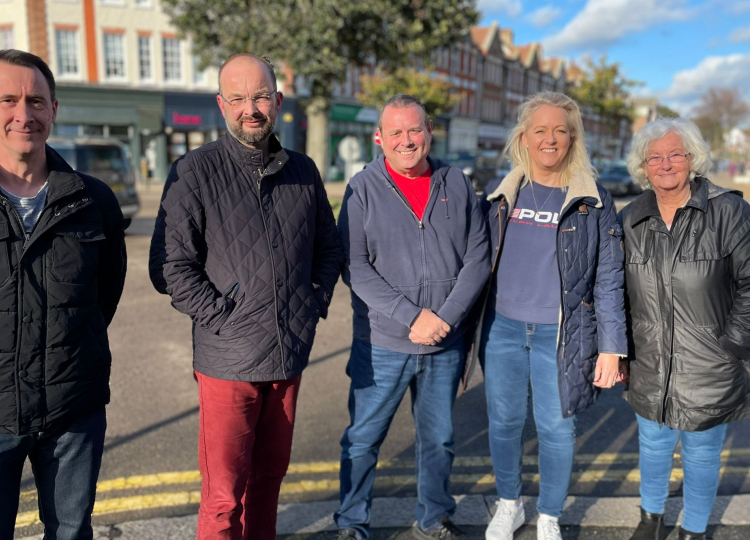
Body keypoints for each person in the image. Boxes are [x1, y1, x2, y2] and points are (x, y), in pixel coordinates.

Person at [0, 49, 127, 540]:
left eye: (36, 100)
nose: (23, 114)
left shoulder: (92, 198)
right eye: (8, 99)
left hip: (72, 409)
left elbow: (105, 295)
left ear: (54, 108)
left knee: (72, 532)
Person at [148, 53, 344, 540]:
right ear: (221, 104)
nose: (249, 108)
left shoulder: (303, 170)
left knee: (269, 483)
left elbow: (329, 246)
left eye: (259, 96)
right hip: (227, 362)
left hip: (288, 356)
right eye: (237, 98)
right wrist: (223, 317)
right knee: (223, 497)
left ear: (277, 101)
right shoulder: (194, 171)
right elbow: (170, 267)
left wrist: (312, 304)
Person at [334, 94, 491, 540]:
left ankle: (433, 517)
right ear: (380, 138)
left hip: (444, 341)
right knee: (363, 439)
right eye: (396, 132)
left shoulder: (457, 183)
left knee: (438, 439)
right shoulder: (362, 188)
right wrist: (411, 317)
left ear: (429, 131)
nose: (407, 140)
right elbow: (355, 267)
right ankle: (352, 523)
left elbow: (478, 258)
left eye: (415, 130)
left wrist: (445, 317)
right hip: (381, 343)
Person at [478, 92, 627, 540]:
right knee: (503, 423)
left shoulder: (593, 199)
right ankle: (509, 505)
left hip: (563, 334)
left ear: (572, 138)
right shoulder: (501, 193)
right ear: (523, 137)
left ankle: (549, 515)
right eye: (540, 129)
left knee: (557, 428)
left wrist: (612, 347)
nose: (550, 138)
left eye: (560, 130)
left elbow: (609, 277)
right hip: (501, 329)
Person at [619, 118, 750, 540]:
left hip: (710, 364)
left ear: (692, 158)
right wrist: (618, 349)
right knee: (653, 447)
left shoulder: (728, 210)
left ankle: (693, 530)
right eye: (654, 156)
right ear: (642, 166)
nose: (665, 163)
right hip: (650, 362)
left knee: (702, 455)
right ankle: (651, 520)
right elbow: (614, 291)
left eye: (675, 154)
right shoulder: (630, 219)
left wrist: (732, 344)